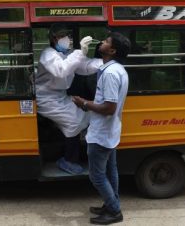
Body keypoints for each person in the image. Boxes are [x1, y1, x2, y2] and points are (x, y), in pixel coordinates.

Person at [73, 32, 130, 225]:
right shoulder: (116, 69)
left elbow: (109, 107)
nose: (102, 43)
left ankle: (114, 210)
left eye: (106, 42)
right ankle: (110, 203)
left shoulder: (111, 74)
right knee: (110, 171)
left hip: (102, 133)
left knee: (96, 176)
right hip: (110, 131)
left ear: (112, 50)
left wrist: (84, 103)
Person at [35, 24, 102, 174]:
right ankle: (68, 160)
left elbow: (84, 67)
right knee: (73, 122)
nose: (67, 39)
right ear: (54, 39)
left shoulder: (67, 54)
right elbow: (61, 70)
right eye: (62, 35)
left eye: (68, 35)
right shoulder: (48, 54)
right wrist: (80, 52)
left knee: (86, 115)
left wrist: (105, 63)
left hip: (60, 97)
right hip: (46, 99)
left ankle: (77, 151)